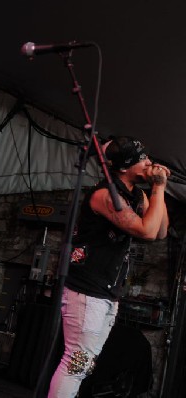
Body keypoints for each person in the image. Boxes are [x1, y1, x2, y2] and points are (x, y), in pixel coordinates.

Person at [48, 136, 169, 397]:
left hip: (107, 291)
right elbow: (145, 232)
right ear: (125, 167)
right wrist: (158, 188)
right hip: (86, 289)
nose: (149, 162)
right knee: (76, 362)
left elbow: (160, 231)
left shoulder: (137, 194)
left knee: (85, 364)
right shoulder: (104, 195)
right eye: (142, 159)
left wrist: (157, 189)